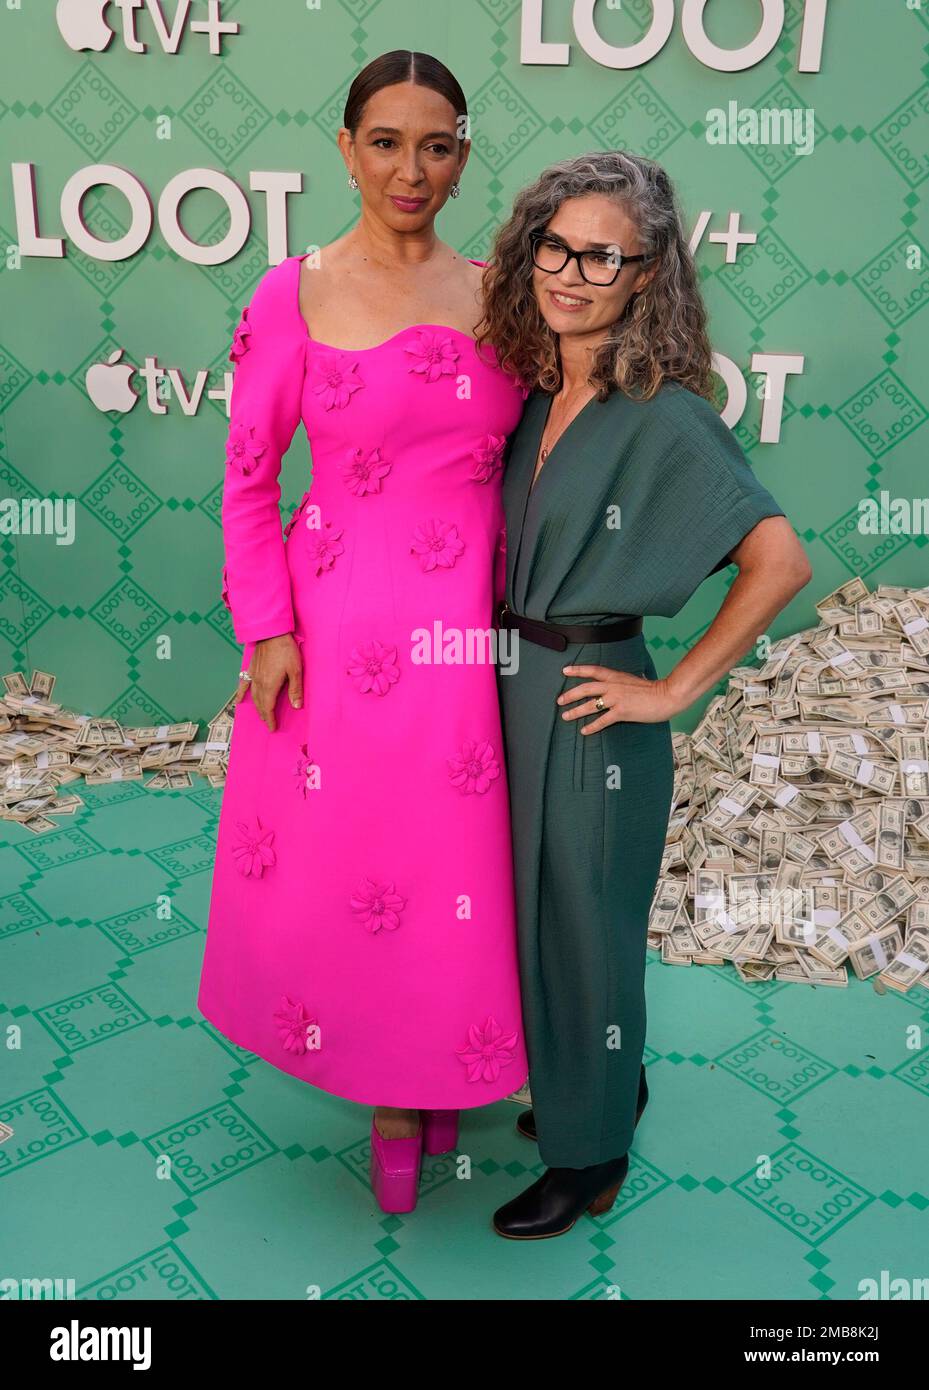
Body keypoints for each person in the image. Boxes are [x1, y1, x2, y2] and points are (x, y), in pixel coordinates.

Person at [198, 49, 530, 1216]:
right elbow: (247, 484)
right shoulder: (288, 293)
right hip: (338, 632)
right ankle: (390, 1092)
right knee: (364, 864)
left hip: (481, 636)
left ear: (461, 155)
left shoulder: (504, 289)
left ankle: (449, 1056)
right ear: (344, 150)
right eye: (384, 141)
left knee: (463, 865)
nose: (409, 167)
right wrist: (267, 630)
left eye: (434, 143)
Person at [475, 150, 811, 1239]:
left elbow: (778, 561)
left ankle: (590, 1157)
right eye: (554, 245)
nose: (570, 272)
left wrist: (670, 691)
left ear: (644, 274)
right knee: (537, 922)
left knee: (585, 927)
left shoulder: (661, 414)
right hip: (511, 691)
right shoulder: (535, 395)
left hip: (588, 700)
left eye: (600, 256)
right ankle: (602, 1083)